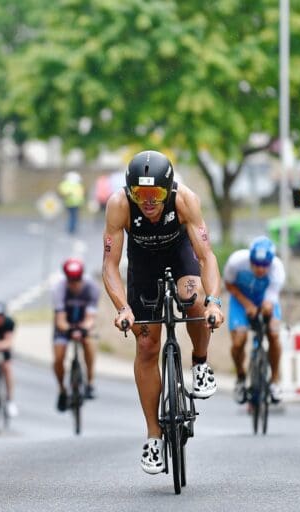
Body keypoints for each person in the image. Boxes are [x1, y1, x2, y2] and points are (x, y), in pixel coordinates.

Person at [102, 150, 224, 475]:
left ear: (168, 190)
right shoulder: (118, 206)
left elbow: (207, 256)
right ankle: (154, 436)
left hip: (179, 255)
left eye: (155, 194)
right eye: (140, 195)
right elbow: (110, 265)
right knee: (146, 346)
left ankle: (199, 363)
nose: (149, 202)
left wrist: (214, 301)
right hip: (143, 265)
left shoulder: (185, 200)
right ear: (129, 192)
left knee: (194, 300)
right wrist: (123, 308)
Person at [224, 236, 285, 404]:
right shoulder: (236, 261)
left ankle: (274, 381)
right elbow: (229, 284)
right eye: (256, 264)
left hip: (264, 299)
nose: (260, 269)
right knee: (238, 341)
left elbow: (270, 300)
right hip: (240, 301)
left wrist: (265, 309)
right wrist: (246, 304)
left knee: (273, 334)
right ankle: (241, 377)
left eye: (264, 266)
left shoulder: (277, 268)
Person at [52, 258, 100, 411]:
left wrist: (83, 329)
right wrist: (69, 330)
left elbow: (91, 318)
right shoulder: (58, 289)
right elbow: (59, 319)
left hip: (83, 323)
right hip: (65, 324)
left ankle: (90, 382)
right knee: (59, 357)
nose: (74, 284)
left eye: (77, 280)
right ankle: (62, 390)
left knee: (89, 342)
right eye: (71, 280)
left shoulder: (92, 287)